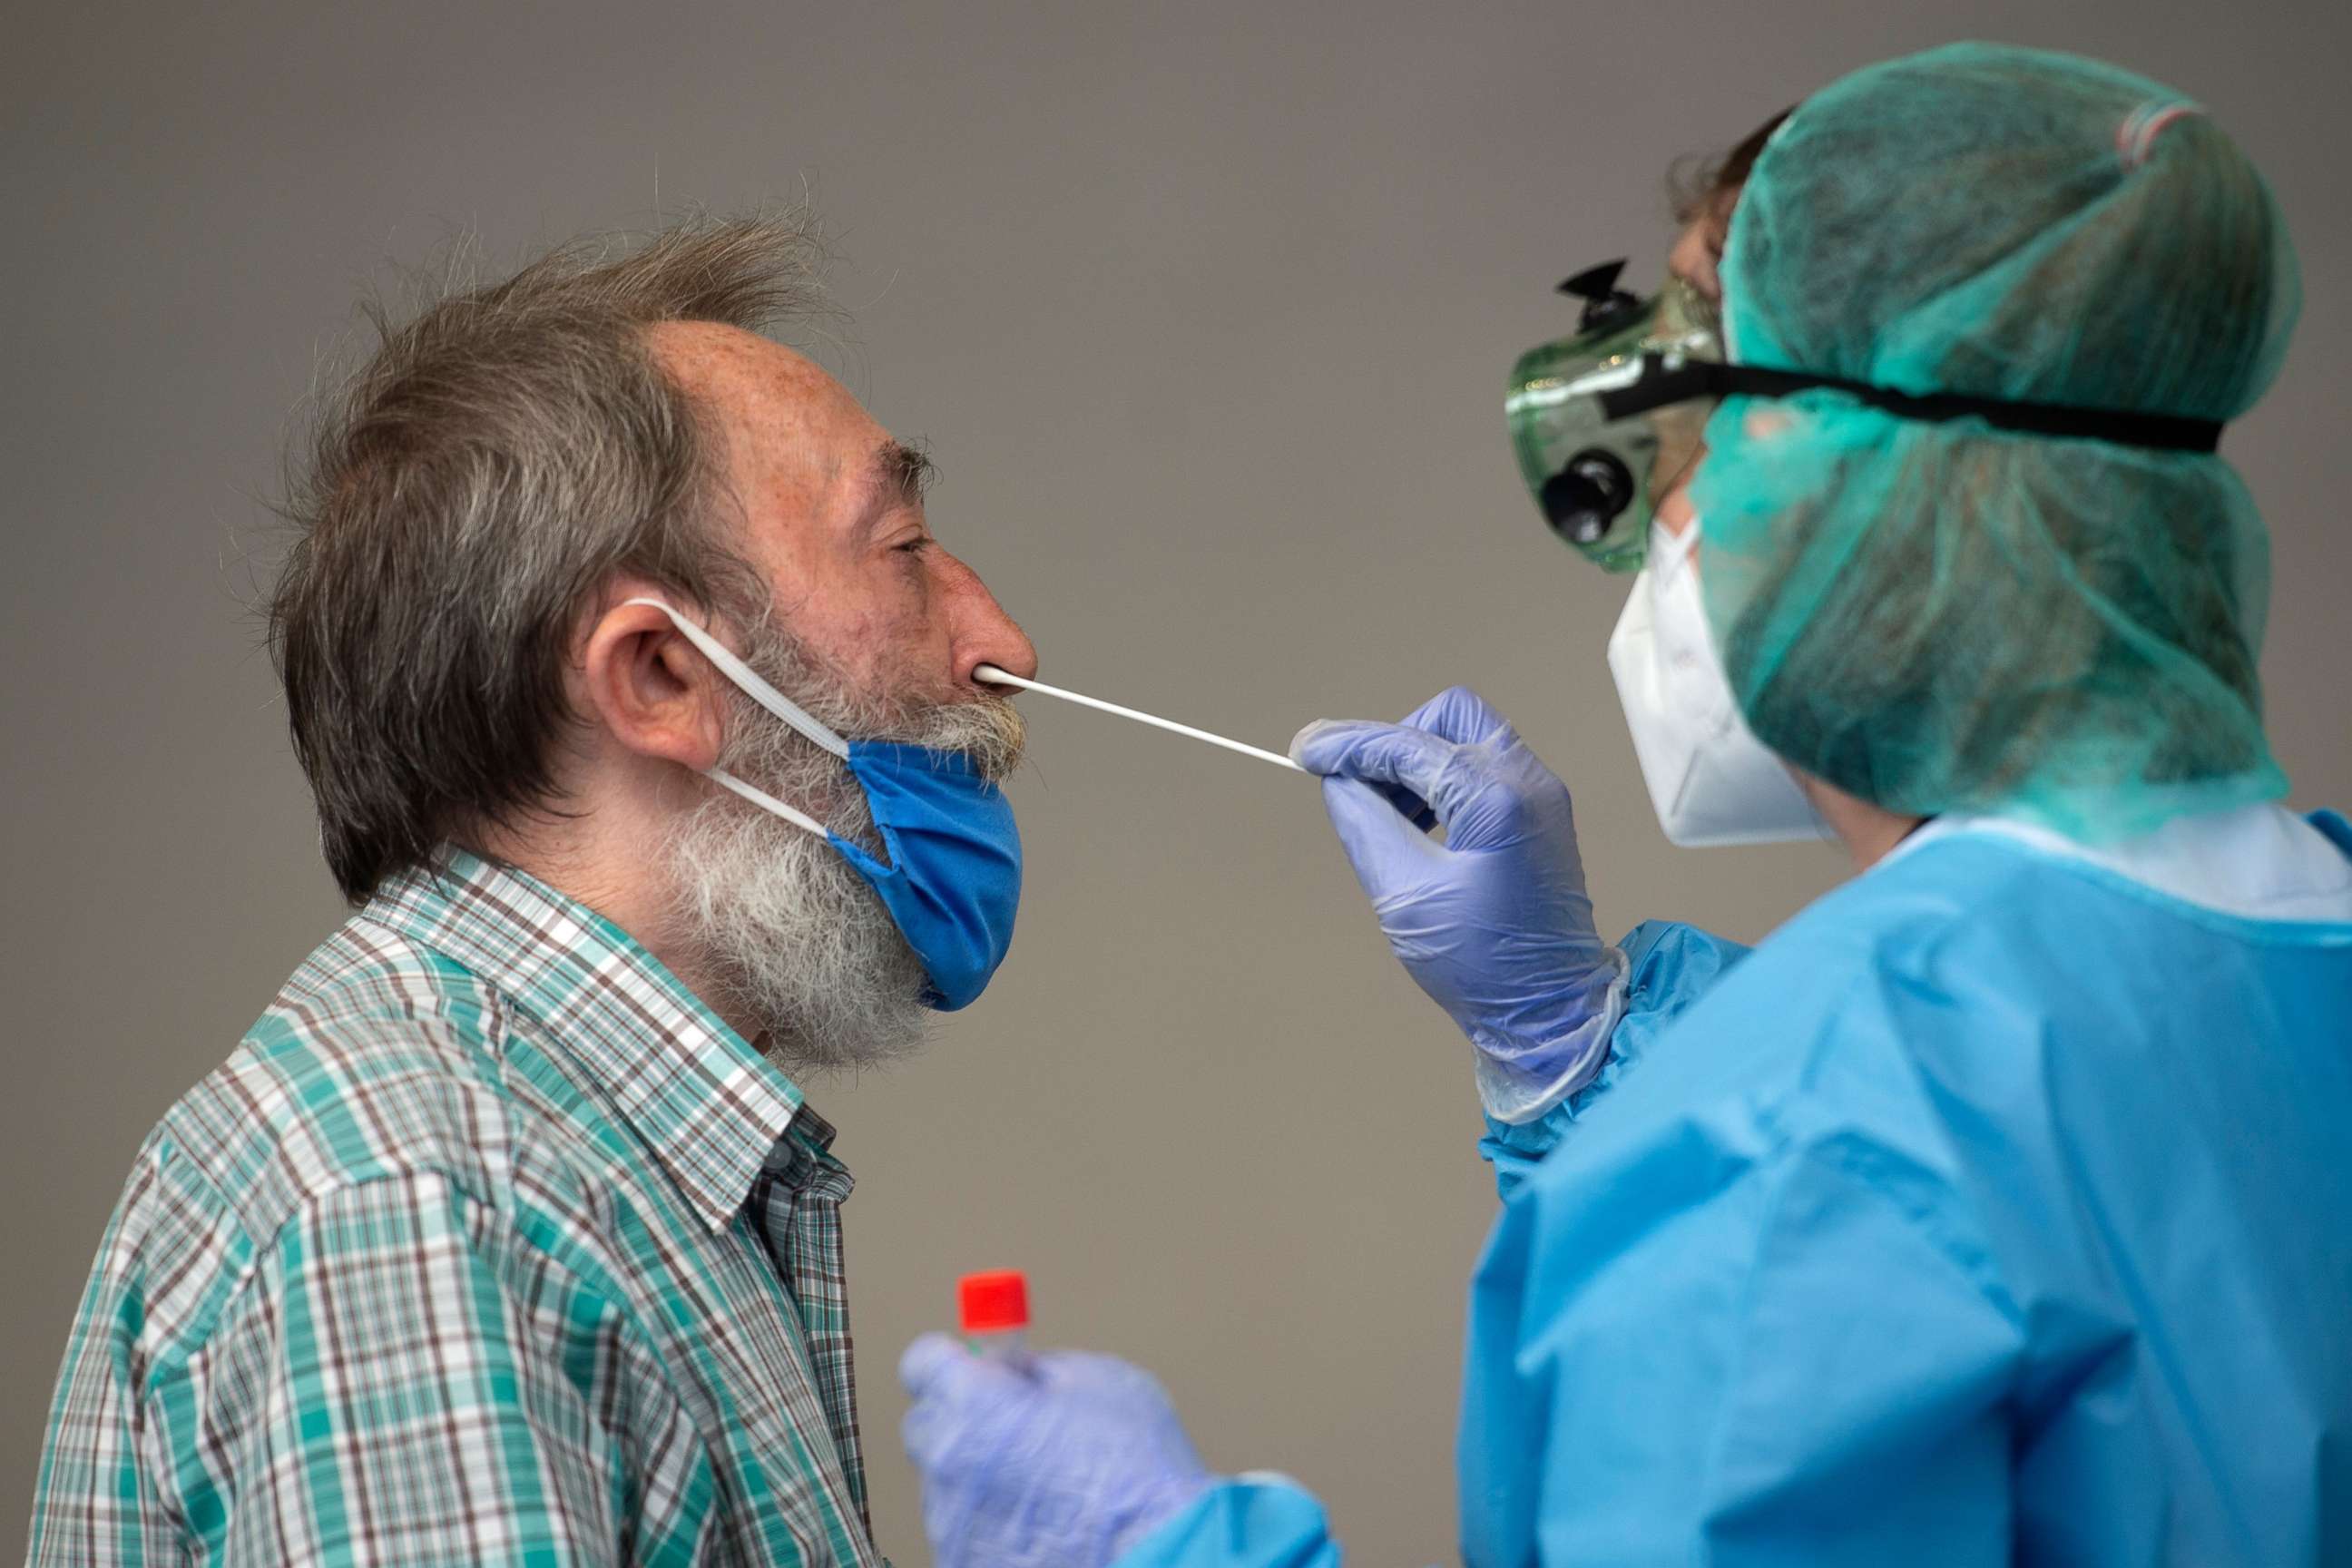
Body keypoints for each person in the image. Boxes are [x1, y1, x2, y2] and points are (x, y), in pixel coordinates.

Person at [897, 42, 2352, 1566]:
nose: (1661, 513)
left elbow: (1857, 1186)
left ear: (1833, 469)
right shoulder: (2275, 958)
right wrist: (1581, 1051)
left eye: (1678, 411)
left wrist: (1163, 1550)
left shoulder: (1813, 1134)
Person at [26, 215, 1039, 1566]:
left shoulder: (581, 1162)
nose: (1001, 646)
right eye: (904, 547)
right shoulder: (423, 1206)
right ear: (658, 678)